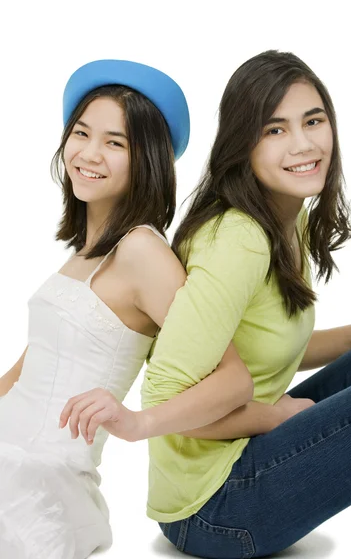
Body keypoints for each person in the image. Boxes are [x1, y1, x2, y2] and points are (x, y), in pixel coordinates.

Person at [62, 50, 351, 559]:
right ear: (243, 144)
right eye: (275, 130)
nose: (303, 144)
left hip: (245, 467)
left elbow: (267, 348)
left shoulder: (288, 221)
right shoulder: (238, 239)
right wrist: (271, 417)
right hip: (216, 508)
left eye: (313, 121)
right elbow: (165, 398)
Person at [0, 59, 255, 559]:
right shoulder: (83, 253)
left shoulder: (142, 252)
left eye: (115, 143)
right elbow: (32, 366)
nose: (89, 153)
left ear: (148, 160)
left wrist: (137, 422)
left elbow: (234, 379)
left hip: (36, 475)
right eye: (81, 133)